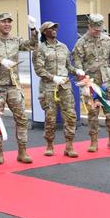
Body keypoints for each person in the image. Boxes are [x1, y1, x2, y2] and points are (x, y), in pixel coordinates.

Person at [0, 12, 38, 165]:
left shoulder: (16, 39)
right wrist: (0, 61)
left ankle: (22, 151)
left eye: (9, 22)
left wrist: (33, 29)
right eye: (3, 22)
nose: (7, 24)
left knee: (22, 118)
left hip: (13, 85)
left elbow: (33, 45)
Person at [72, 14, 110, 152]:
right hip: (90, 84)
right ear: (89, 26)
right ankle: (93, 141)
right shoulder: (81, 43)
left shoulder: (108, 40)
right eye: (95, 29)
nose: (98, 31)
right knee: (92, 113)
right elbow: (76, 63)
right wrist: (80, 73)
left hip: (107, 82)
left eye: (100, 29)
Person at [33, 21, 81, 157]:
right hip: (48, 87)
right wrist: (53, 77)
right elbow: (39, 69)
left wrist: (77, 71)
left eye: (55, 28)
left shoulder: (63, 47)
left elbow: (68, 66)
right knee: (50, 118)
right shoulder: (40, 49)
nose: (54, 30)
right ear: (44, 32)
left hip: (64, 86)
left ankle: (69, 146)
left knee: (70, 116)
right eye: (51, 28)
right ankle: (49, 145)